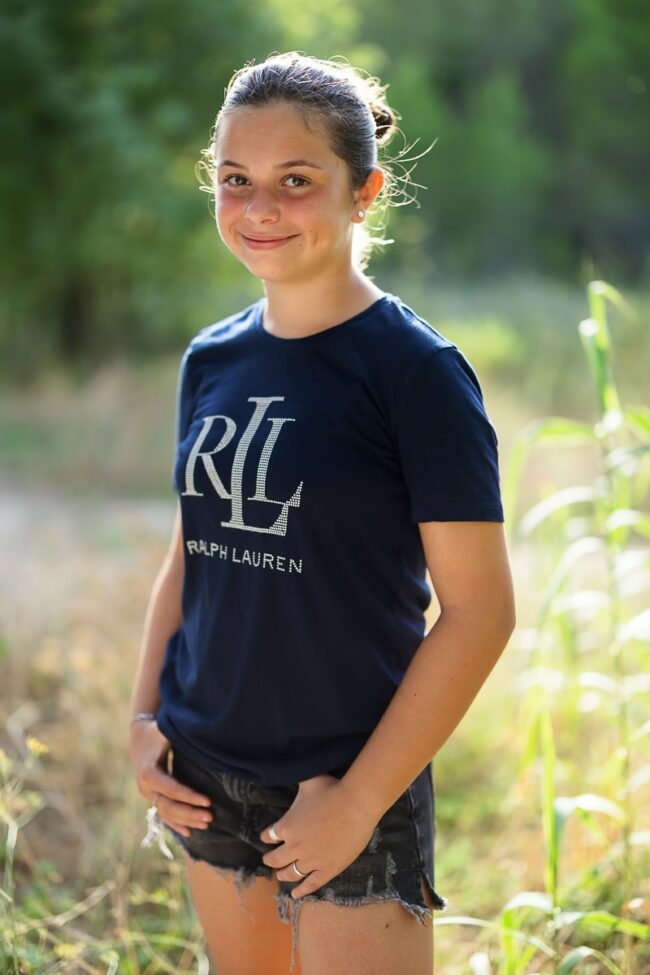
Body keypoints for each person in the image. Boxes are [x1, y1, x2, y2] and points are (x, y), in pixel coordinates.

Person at [128, 50, 516, 975]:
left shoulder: (415, 374)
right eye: (236, 179)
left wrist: (355, 803)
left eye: (295, 181)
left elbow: (480, 613)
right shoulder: (210, 360)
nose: (260, 207)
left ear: (364, 192)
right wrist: (143, 718)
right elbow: (194, 550)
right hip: (202, 768)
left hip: (346, 778)